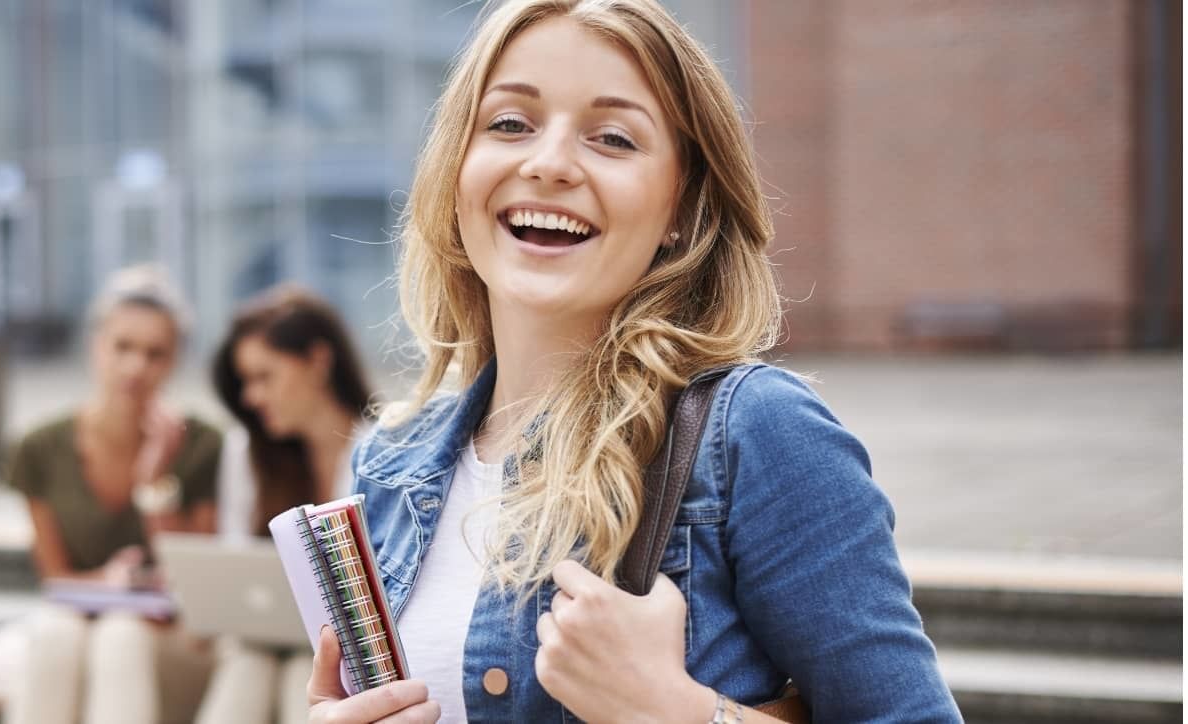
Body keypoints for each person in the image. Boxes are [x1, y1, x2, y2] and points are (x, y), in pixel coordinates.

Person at [305, 1, 964, 723]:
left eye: (613, 138)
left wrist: (676, 712)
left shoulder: (753, 434)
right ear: (456, 169)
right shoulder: (388, 465)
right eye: (508, 124)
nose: (548, 163)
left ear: (681, 204)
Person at [2, 265, 222, 724]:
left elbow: (194, 582)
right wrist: (107, 582)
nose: (136, 367)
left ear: (174, 361)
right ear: (95, 346)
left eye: (155, 353)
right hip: (80, 627)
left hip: (171, 642)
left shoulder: (201, 444)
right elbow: (55, 578)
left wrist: (154, 479)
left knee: (120, 634)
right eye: (122, 347)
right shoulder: (40, 447)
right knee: (56, 632)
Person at [195, 284, 373, 724]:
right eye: (245, 382)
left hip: (348, 656)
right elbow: (236, 563)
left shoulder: (382, 452)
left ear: (317, 361)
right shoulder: (247, 451)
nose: (251, 398)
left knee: (305, 672)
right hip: (257, 643)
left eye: (264, 376)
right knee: (250, 664)